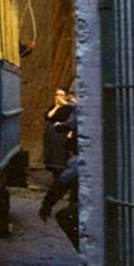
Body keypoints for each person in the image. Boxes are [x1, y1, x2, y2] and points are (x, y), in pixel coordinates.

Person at [40, 107, 79, 251]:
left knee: (66, 216)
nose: (68, 137)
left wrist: (47, 205)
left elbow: (61, 184)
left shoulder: (77, 161)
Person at [43, 88, 74, 180]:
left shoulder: (69, 107)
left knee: (61, 154)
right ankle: (55, 176)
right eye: (57, 95)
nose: (58, 97)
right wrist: (56, 107)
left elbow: (71, 121)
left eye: (61, 95)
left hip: (62, 132)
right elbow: (48, 117)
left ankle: (62, 178)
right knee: (51, 152)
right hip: (52, 132)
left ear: (66, 97)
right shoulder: (53, 106)